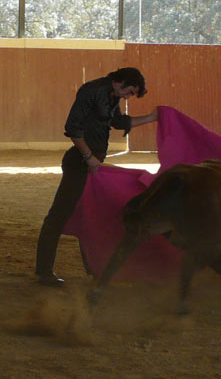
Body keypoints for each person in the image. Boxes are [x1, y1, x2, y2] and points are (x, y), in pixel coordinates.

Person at [35, 67, 158, 286]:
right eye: (129, 92)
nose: (128, 97)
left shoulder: (112, 95)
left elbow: (118, 123)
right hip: (80, 163)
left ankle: (92, 268)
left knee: (87, 213)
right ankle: (43, 272)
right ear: (120, 83)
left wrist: (151, 118)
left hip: (92, 163)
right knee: (59, 215)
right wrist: (89, 156)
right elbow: (73, 128)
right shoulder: (91, 91)